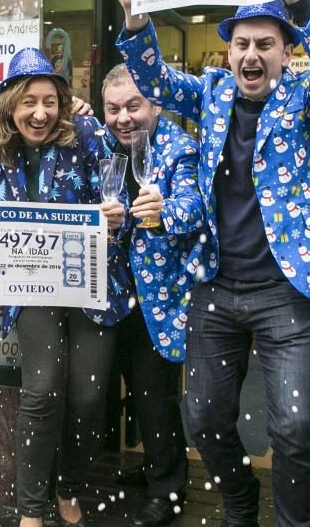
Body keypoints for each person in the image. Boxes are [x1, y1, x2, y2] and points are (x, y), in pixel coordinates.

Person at [114, 0, 310, 526]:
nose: (251, 55)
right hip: (215, 287)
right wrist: (135, 14)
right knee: (202, 419)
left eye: (264, 45)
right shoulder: (214, 94)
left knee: (294, 424)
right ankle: (240, 506)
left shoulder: (308, 100)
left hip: (285, 291)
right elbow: (155, 78)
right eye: (241, 44)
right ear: (228, 54)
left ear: (284, 51)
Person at [0, 48, 130, 527]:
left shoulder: (88, 134)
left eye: (50, 100)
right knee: (41, 392)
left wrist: (116, 215)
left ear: (63, 102)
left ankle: (69, 485)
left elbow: (116, 195)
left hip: (91, 282)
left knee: (90, 397)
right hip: (31, 289)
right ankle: (31, 509)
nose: (40, 112)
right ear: (11, 104)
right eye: (29, 101)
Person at [101, 64, 205, 526]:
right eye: (113, 108)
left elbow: (194, 208)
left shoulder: (180, 148)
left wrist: (163, 213)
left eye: (134, 106)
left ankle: (169, 487)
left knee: (155, 390)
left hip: (159, 295)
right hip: (113, 291)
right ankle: (155, 464)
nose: (123, 118)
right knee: (134, 385)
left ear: (156, 105)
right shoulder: (103, 145)